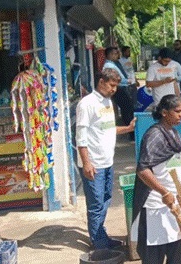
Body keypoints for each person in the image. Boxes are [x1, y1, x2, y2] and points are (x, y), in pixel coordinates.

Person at [76, 68, 136, 249]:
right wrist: (86, 162)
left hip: (108, 162)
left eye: (116, 86)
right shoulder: (87, 104)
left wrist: (128, 128)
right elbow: (81, 136)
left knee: (105, 200)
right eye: (112, 85)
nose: (114, 89)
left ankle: (100, 235)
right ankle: (98, 243)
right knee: (96, 205)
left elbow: (108, 128)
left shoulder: (108, 102)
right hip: (94, 164)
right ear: (101, 82)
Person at [131, 95, 181, 263]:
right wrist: (164, 192)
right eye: (177, 111)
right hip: (155, 207)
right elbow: (143, 170)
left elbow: (178, 163)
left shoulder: (174, 133)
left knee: (178, 255)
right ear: (164, 112)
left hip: (175, 206)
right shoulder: (154, 135)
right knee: (153, 258)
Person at [103, 46, 134, 127]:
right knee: (127, 109)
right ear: (110, 54)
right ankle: (130, 130)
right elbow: (114, 79)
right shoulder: (108, 66)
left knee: (128, 108)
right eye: (115, 54)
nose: (117, 55)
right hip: (119, 89)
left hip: (122, 87)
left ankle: (131, 129)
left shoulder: (113, 63)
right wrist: (127, 81)